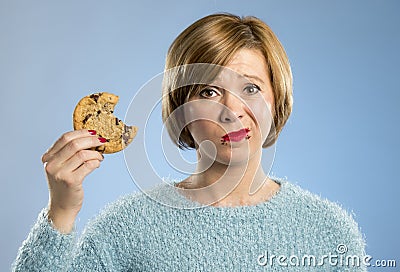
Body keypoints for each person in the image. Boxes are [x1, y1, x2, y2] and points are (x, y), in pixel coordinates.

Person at [12, 13, 366, 271]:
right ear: (181, 108)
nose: (232, 111)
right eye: (209, 91)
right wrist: (61, 211)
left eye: (251, 88)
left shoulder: (330, 231)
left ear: (276, 100)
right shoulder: (128, 228)